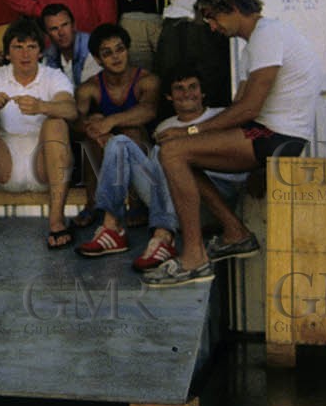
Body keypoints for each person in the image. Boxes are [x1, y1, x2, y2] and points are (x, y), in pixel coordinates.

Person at [147, 0, 322, 287]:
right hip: (263, 132)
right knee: (179, 154)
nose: (212, 26)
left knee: (174, 151)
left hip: (275, 137)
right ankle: (235, 233)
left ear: (232, 7)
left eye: (213, 17)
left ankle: (194, 258)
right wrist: (193, 137)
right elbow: (239, 108)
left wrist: (190, 131)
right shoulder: (253, 46)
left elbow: (248, 109)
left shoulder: (268, 35)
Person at [76, 66, 249, 270]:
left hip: (212, 200)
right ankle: (112, 228)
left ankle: (163, 238)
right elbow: (159, 180)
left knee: (167, 152)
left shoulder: (221, 116)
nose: (187, 93)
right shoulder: (164, 127)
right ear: (169, 96)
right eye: (179, 88)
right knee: (119, 143)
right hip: (175, 204)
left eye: (193, 87)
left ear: (202, 92)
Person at [0, 19, 77, 250]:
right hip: (5, 165)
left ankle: (56, 221)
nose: (25, 54)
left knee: (56, 124)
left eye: (32, 47)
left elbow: (71, 111)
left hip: (44, 166)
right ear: (7, 53)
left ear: (40, 52)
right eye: (18, 47)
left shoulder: (53, 76)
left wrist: (42, 107)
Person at [70, 23, 159, 227]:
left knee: (131, 132)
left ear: (127, 50)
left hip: (142, 147)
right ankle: (92, 203)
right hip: (103, 147)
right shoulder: (89, 88)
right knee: (90, 137)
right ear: (97, 59)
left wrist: (109, 122)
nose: (116, 57)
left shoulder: (146, 80)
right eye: (107, 53)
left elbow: (149, 110)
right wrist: (93, 127)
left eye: (120, 49)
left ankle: (136, 203)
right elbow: (75, 123)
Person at [40, 3, 101, 85]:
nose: (61, 33)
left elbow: (90, 89)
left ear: (73, 25)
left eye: (65, 25)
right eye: (54, 29)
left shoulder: (91, 48)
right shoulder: (48, 58)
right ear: (47, 34)